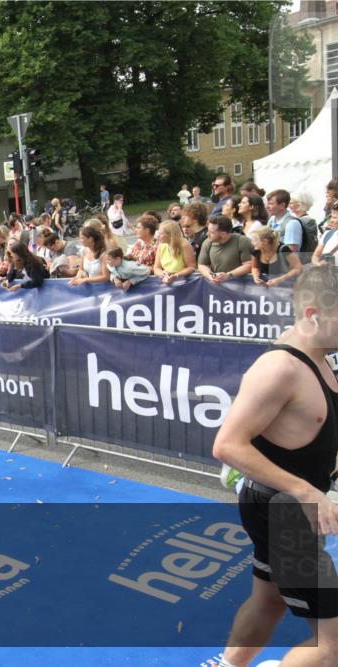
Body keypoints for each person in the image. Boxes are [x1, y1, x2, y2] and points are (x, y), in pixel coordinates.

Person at [212, 264, 338, 667]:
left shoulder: (322, 357)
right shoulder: (280, 369)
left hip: (286, 509)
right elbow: (227, 445)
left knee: (268, 600)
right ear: (313, 315)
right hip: (285, 515)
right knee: (333, 649)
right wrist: (306, 491)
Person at [198, 215, 254, 284]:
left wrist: (228, 275)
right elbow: (202, 264)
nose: (207, 234)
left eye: (211, 232)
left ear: (223, 234)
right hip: (216, 285)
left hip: (239, 284)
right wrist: (210, 276)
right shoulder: (208, 242)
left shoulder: (242, 241)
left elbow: (249, 264)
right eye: (208, 230)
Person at [153, 219, 197, 284]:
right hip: (167, 281)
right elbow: (156, 267)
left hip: (184, 282)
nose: (157, 236)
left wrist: (176, 275)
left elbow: (191, 267)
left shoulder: (184, 245)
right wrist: (163, 274)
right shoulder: (161, 245)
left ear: (170, 235)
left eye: (161, 233)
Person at [266, 189, 302, 254]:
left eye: (271, 204)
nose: (267, 206)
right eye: (267, 203)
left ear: (282, 205)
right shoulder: (271, 219)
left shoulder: (292, 223)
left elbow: (291, 252)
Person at [312, 201, 338, 266]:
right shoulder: (328, 234)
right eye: (331, 217)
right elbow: (315, 256)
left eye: (334, 217)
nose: (331, 221)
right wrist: (319, 264)